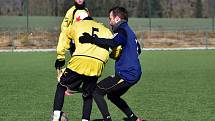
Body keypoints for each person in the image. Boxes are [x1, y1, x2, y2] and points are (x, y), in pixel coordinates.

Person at [79, 6, 143, 121]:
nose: (110, 22)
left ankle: (107, 119)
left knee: (96, 91)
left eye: (110, 19)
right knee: (113, 96)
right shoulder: (129, 31)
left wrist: (91, 39)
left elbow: (113, 42)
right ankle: (134, 118)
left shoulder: (122, 30)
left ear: (117, 19)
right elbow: (138, 49)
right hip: (134, 72)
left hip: (127, 74)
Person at [51, 16, 113, 121]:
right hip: (97, 64)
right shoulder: (106, 30)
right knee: (88, 93)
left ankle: (56, 118)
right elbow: (114, 47)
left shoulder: (77, 24)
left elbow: (64, 35)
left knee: (61, 86)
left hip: (80, 60)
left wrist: (60, 57)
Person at [54, 0, 89, 96]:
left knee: (82, 65)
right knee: (79, 65)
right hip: (74, 43)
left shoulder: (86, 10)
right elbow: (64, 27)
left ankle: (70, 84)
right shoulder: (71, 11)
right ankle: (67, 84)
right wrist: (70, 37)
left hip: (84, 42)